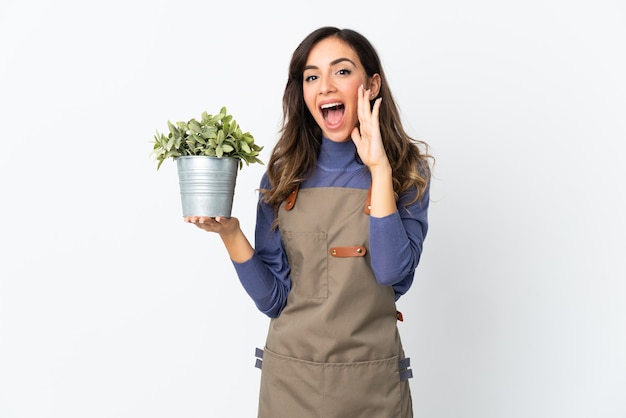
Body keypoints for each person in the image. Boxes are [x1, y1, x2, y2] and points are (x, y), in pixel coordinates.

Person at [185, 26, 432, 418]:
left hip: (374, 389)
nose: (325, 87)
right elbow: (274, 300)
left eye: (342, 72)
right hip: (290, 387)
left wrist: (379, 169)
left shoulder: (406, 171)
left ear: (372, 84)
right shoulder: (285, 174)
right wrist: (230, 234)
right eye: (312, 76)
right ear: (302, 92)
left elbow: (392, 274)